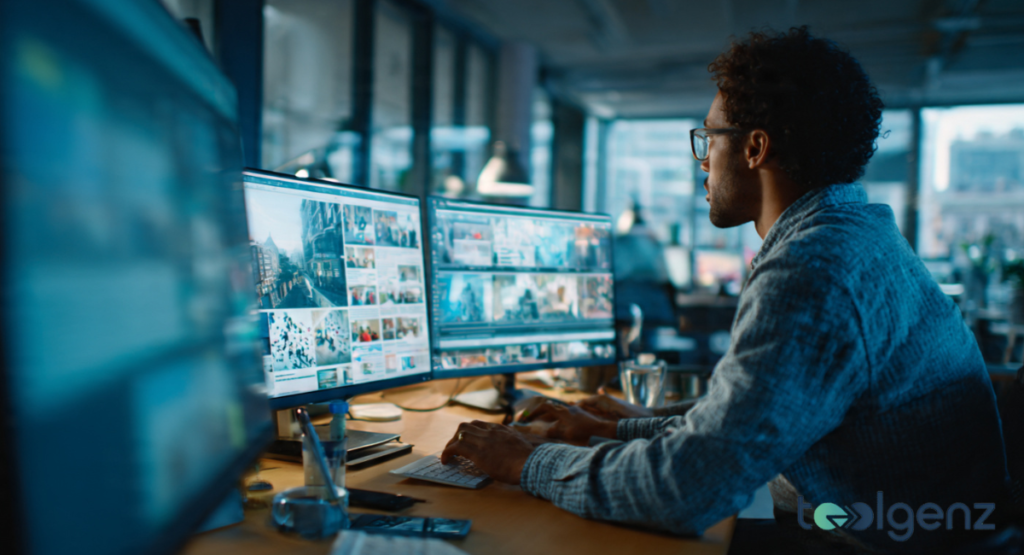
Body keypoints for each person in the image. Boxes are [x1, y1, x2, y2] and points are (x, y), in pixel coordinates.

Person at [441, 27, 1012, 554]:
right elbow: (753, 420)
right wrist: (611, 429)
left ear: (754, 148)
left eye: (707, 138)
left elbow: (686, 489)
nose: (702, 163)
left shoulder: (813, 270)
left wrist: (530, 460)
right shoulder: (856, 236)